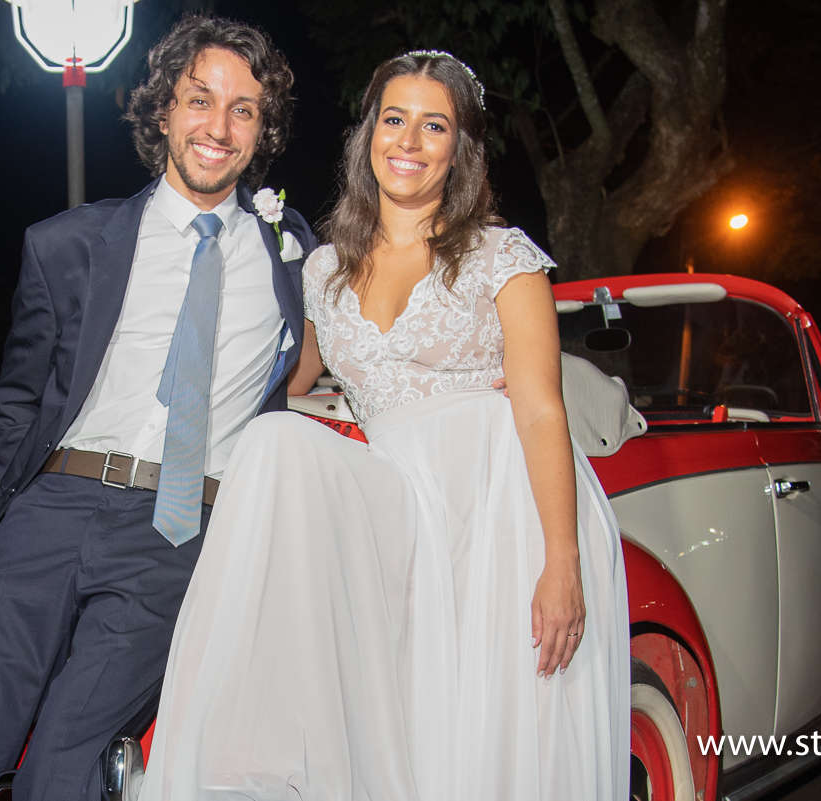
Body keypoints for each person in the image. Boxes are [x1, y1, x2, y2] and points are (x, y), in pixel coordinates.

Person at [140, 51, 630, 801]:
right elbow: (278, 383)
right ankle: (236, 762)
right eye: (394, 119)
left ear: (461, 147)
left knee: (487, 734)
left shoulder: (503, 257)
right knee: (274, 440)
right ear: (369, 133)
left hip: (496, 509)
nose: (409, 141)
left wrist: (562, 560)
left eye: (434, 125)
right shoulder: (324, 271)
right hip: (394, 504)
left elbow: (540, 408)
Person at [0, 16, 316, 801]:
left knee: (67, 765)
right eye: (200, 99)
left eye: (244, 110)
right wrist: (31, 500)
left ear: (264, 132)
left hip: (176, 529)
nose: (218, 126)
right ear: (163, 111)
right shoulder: (66, 244)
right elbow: (20, 394)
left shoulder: (290, 256)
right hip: (51, 512)